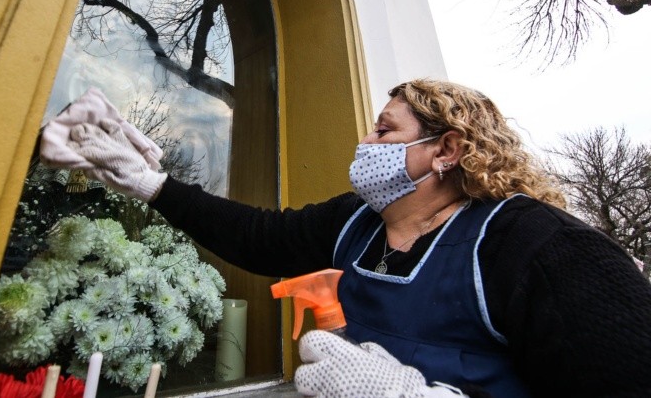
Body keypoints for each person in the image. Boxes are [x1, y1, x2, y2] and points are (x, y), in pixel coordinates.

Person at [40, 79, 651, 397]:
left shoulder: (541, 248)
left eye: (385, 131)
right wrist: (147, 182)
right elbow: (257, 236)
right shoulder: (355, 221)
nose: (365, 143)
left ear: (447, 150)